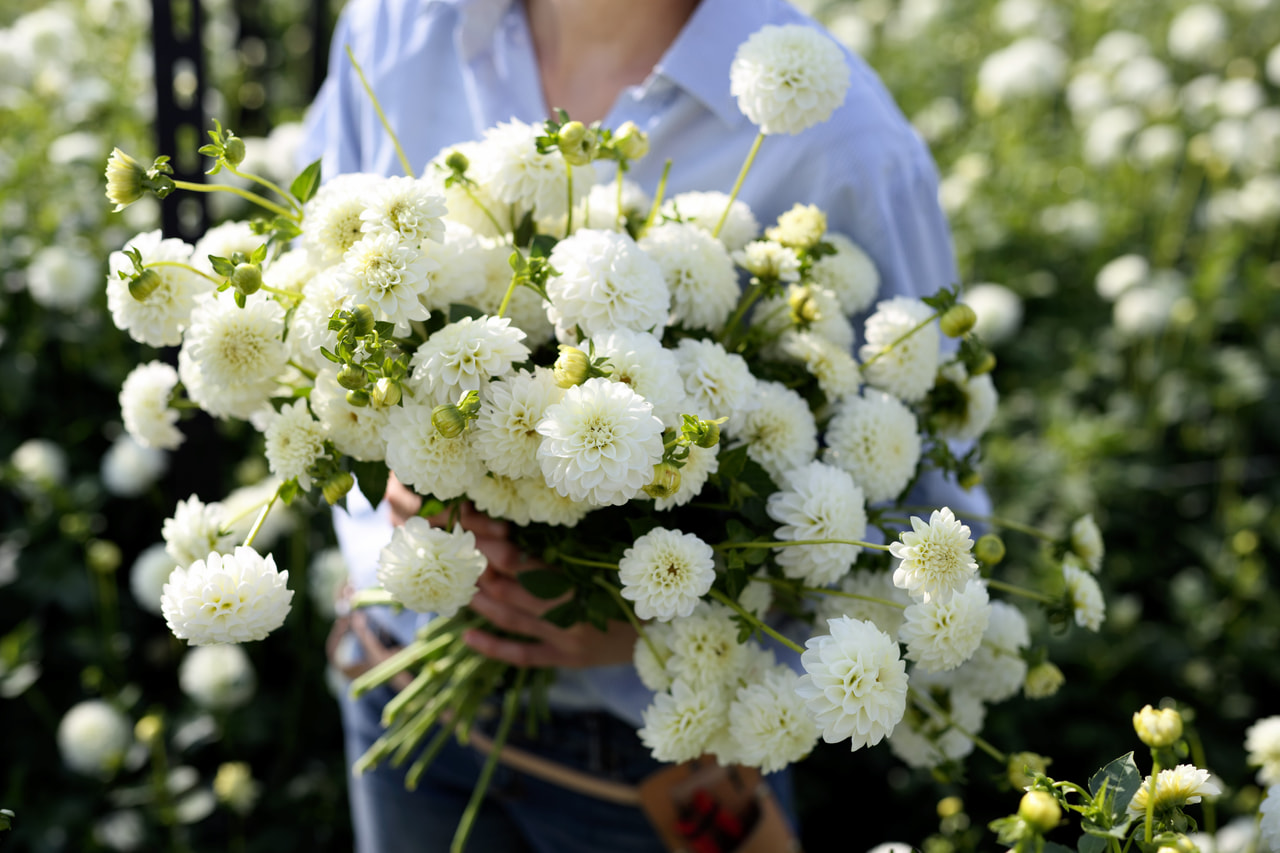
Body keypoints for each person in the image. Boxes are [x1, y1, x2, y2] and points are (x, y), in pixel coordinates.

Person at [298, 0, 987, 850]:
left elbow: (929, 530)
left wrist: (660, 627)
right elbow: (308, 316)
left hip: (657, 774)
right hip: (391, 683)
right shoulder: (394, 30)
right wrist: (400, 482)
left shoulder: (845, 143)